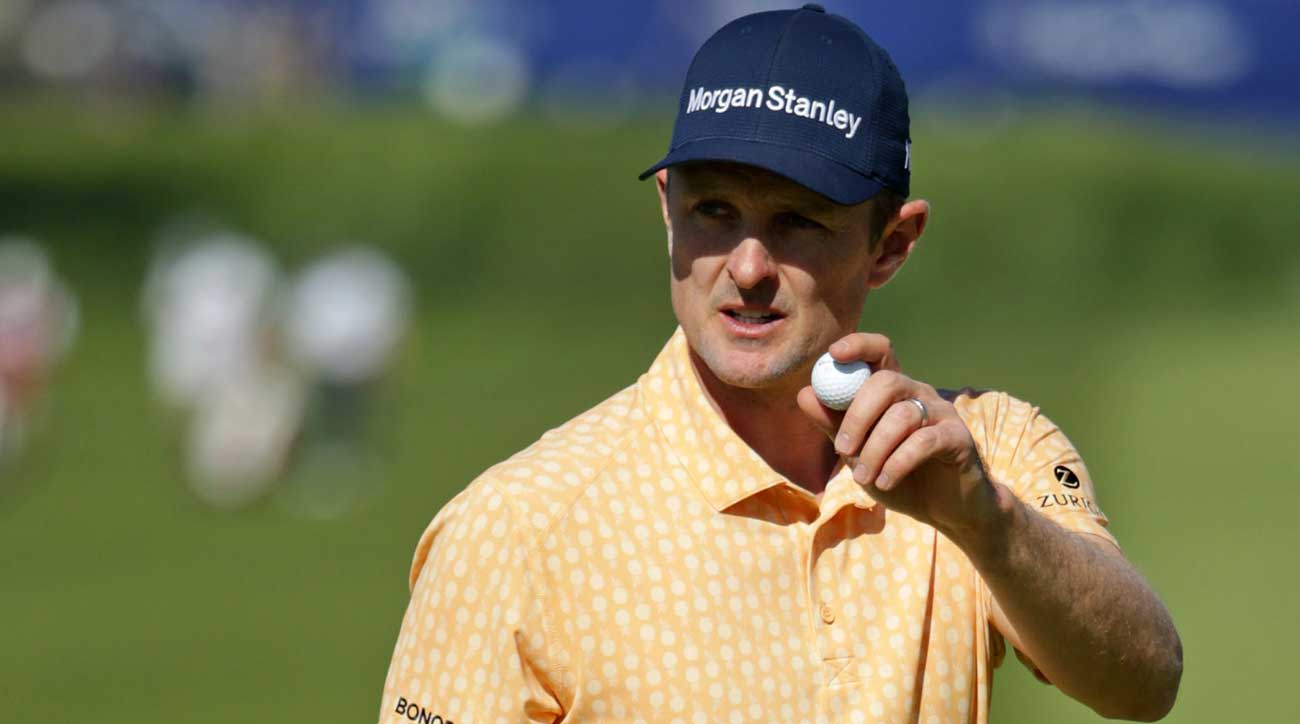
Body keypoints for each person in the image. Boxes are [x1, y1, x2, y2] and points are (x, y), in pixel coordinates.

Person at [377, 6, 1182, 723]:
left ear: (891, 244)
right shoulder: (513, 527)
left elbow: (1142, 685)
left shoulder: (985, 452)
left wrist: (987, 526)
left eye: (798, 221)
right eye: (713, 212)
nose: (748, 266)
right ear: (668, 210)